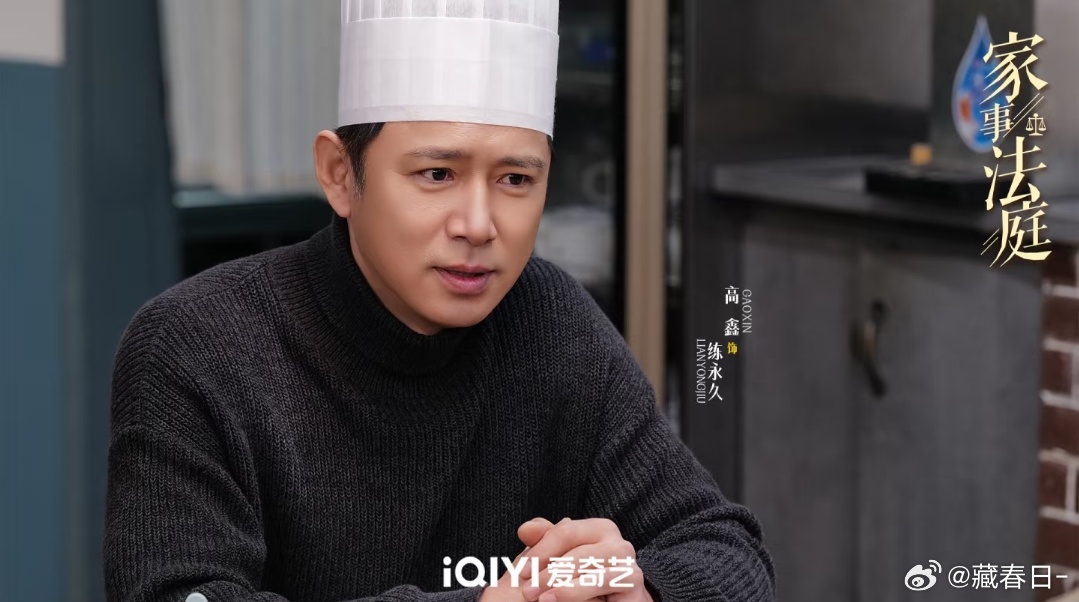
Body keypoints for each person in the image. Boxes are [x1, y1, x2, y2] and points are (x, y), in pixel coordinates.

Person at [102, 1, 776, 601]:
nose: (478, 225)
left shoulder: (550, 321)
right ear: (339, 174)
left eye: (515, 179)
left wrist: (637, 586)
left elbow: (727, 551)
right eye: (436, 174)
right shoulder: (198, 345)